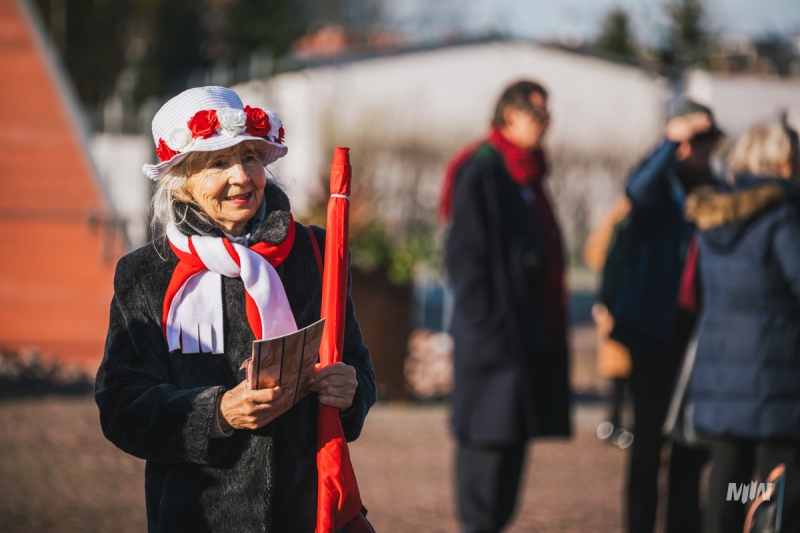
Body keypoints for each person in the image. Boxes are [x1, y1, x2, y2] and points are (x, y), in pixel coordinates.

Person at [94, 86, 376, 532]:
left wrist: (351, 391)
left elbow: (355, 360)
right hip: (197, 517)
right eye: (218, 162)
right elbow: (121, 407)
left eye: (250, 157)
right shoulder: (145, 273)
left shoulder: (316, 252)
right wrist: (219, 411)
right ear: (180, 178)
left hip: (307, 512)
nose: (242, 176)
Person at [440, 79, 571, 533]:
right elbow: (465, 259)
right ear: (509, 117)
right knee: (486, 457)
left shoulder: (527, 172)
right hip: (494, 344)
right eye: (539, 116)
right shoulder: (482, 169)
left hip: (525, 337)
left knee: (512, 455)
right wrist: (490, 328)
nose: (547, 125)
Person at [609, 101, 720, 533]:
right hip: (656, 330)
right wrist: (670, 141)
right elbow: (636, 191)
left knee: (691, 441)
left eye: (710, 140)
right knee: (649, 439)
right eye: (697, 140)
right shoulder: (660, 185)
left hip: (700, 331)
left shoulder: (713, 188)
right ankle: (638, 525)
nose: (705, 149)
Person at [685, 121, 800, 533]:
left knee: (729, 482)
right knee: (778, 485)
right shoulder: (782, 215)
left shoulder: (713, 217)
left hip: (721, 366)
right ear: (783, 162)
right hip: (777, 370)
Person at [583, 196, 634, 448]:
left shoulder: (616, 212)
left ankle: (613, 422)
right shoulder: (621, 214)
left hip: (618, 300)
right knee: (624, 369)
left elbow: (594, 252)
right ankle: (616, 422)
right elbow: (596, 252)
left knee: (622, 370)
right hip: (623, 300)